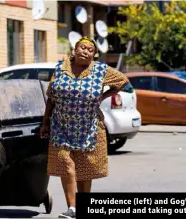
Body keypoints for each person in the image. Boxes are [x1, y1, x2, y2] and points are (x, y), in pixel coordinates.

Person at [39, 36, 129, 219]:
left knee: (84, 168)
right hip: (61, 126)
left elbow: (122, 81)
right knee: (66, 164)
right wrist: (45, 121)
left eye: (90, 50)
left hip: (89, 127)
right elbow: (51, 96)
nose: (86, 51)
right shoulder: (61, 68)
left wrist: (103, 96)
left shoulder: (100, 70)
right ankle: (72, 208)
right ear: (75, 50)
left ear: (94, 55)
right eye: (82, 48)